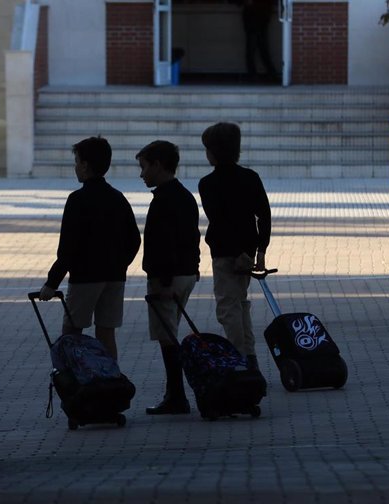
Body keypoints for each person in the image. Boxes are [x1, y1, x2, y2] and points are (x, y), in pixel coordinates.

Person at [38, 136, 141, 361]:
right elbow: (134, 239)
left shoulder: (77, 200)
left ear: (85, 165)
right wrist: (119, 264)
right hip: (114, 277)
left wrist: (51, 282)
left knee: (72, 333)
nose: (75, 167)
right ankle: (110, 381)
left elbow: (67, 248)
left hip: (85, 277)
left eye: (77, 161)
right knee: (106, 333)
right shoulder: (118, 198)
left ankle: (76, 385)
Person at [198, 122, 271, 371]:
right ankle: (249, 356)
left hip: (223, 251)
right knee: (240, 303)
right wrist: (257, 250)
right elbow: (263, 215)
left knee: (228, 306)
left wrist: (237, 250)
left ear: (214, 151)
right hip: (247, 250)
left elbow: (219, 220)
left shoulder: (207, 184)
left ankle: (240, 359)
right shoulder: (250, 178)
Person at [137, 140, 200, 415]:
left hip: (168, 279)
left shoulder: (163, 200)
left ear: (158, 165)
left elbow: (164, 245)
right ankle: (175, 393)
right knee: (170, 333)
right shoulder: (185, 196)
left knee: (167, 337)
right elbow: (192, 238)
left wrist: (162, 282)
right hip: (186, 273)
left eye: (144, 167)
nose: (142, 174)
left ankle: (176, 395)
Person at [239, 0, 280, 81]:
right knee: (259, 48)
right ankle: (269, 73)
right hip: (257, 18)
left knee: (256, 48)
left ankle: (256, 74)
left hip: (257, 18)